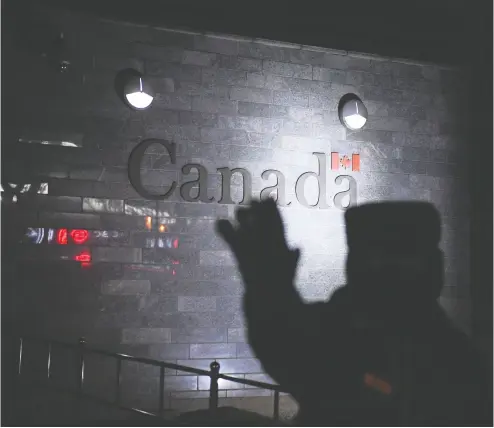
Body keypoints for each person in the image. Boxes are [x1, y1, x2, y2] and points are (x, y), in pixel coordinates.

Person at [216, 199, 492, 426]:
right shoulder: (341, 327)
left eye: (397, 251)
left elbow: (298, 352)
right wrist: (270, 288)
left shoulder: (454, 362)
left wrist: (270, 288)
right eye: (369, 252)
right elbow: (290, 345)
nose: (380, 265)